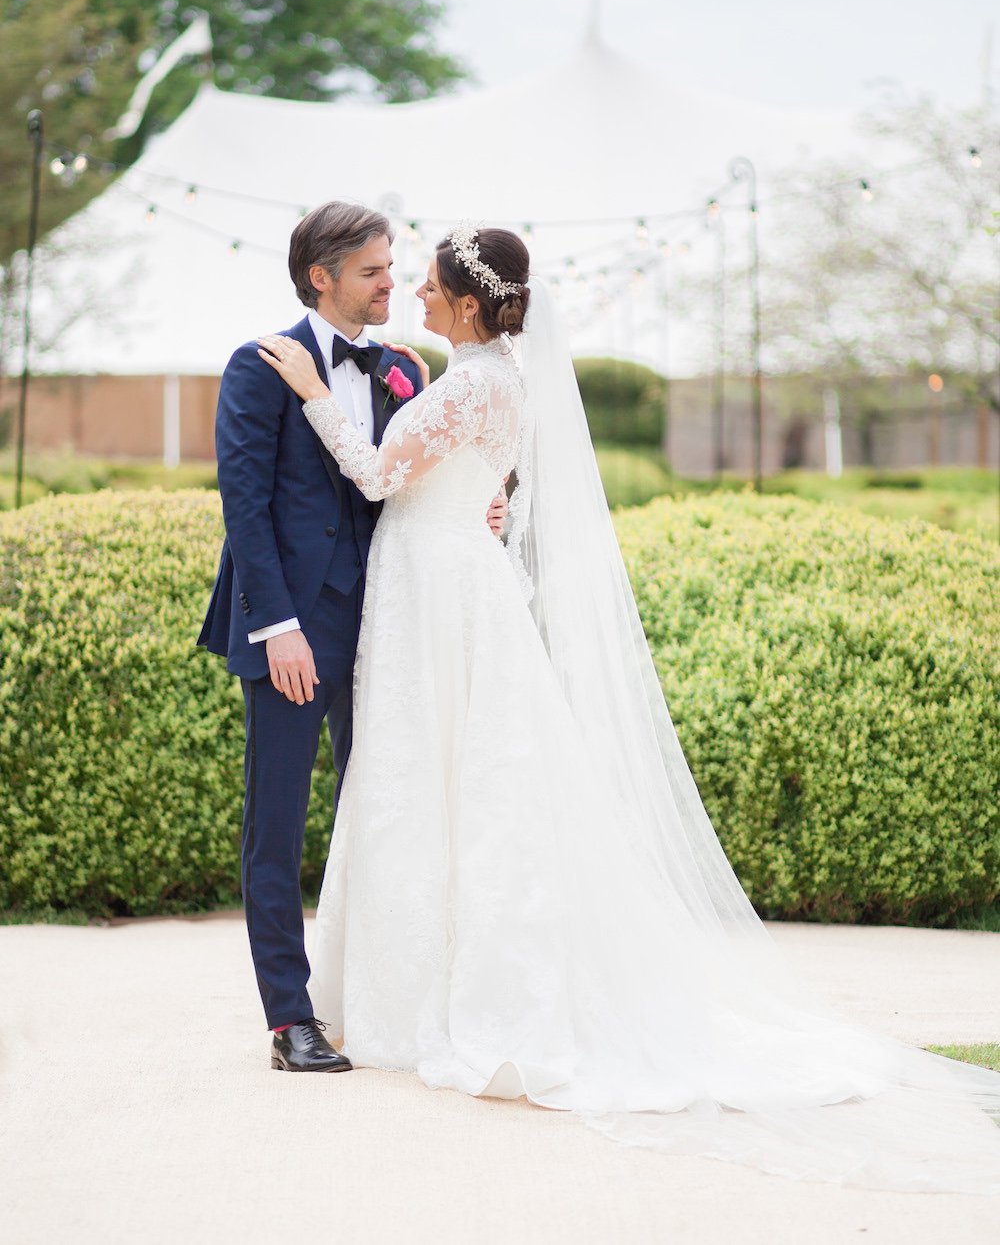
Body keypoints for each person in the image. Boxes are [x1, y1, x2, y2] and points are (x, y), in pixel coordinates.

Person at [256, 223, 1000, 1191]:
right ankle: (417, 980)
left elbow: (375, 474)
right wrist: (481, 490)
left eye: (430, 286)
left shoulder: (473, 383)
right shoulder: (490, 377)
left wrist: (315, 395)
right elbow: (486, 480)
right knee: (446, 781)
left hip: (439, 597)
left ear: (469, 305)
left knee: (444, 780)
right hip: (444, 585)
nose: (417, 295)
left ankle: (434, 993)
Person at [198, 202, 507, 1073]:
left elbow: (418, 473)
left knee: (384, 815)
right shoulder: (261, 365)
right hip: (294, 632)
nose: (390, 285)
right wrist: (278, 627)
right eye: (372, 271)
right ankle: (289, 1020)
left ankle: (378, 1001)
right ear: (321, 276)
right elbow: (245, 507)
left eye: (391, 268)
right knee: (276, 824)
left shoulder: (404, 369)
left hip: (393, 628)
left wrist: (485, 499)